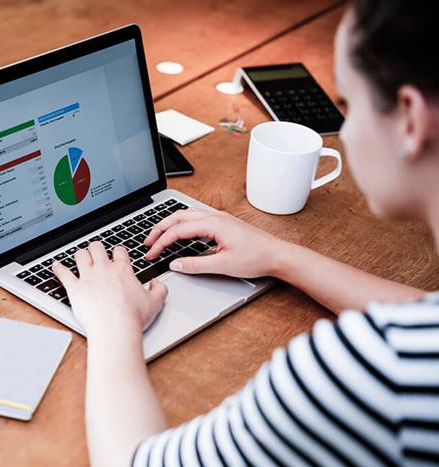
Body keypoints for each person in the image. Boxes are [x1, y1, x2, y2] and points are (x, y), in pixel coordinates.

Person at [51, 1, 439, 465]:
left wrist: (113, 323)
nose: (347, 133)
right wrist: (282, 257)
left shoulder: (369, 372)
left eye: (348, 106)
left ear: (411, 119)